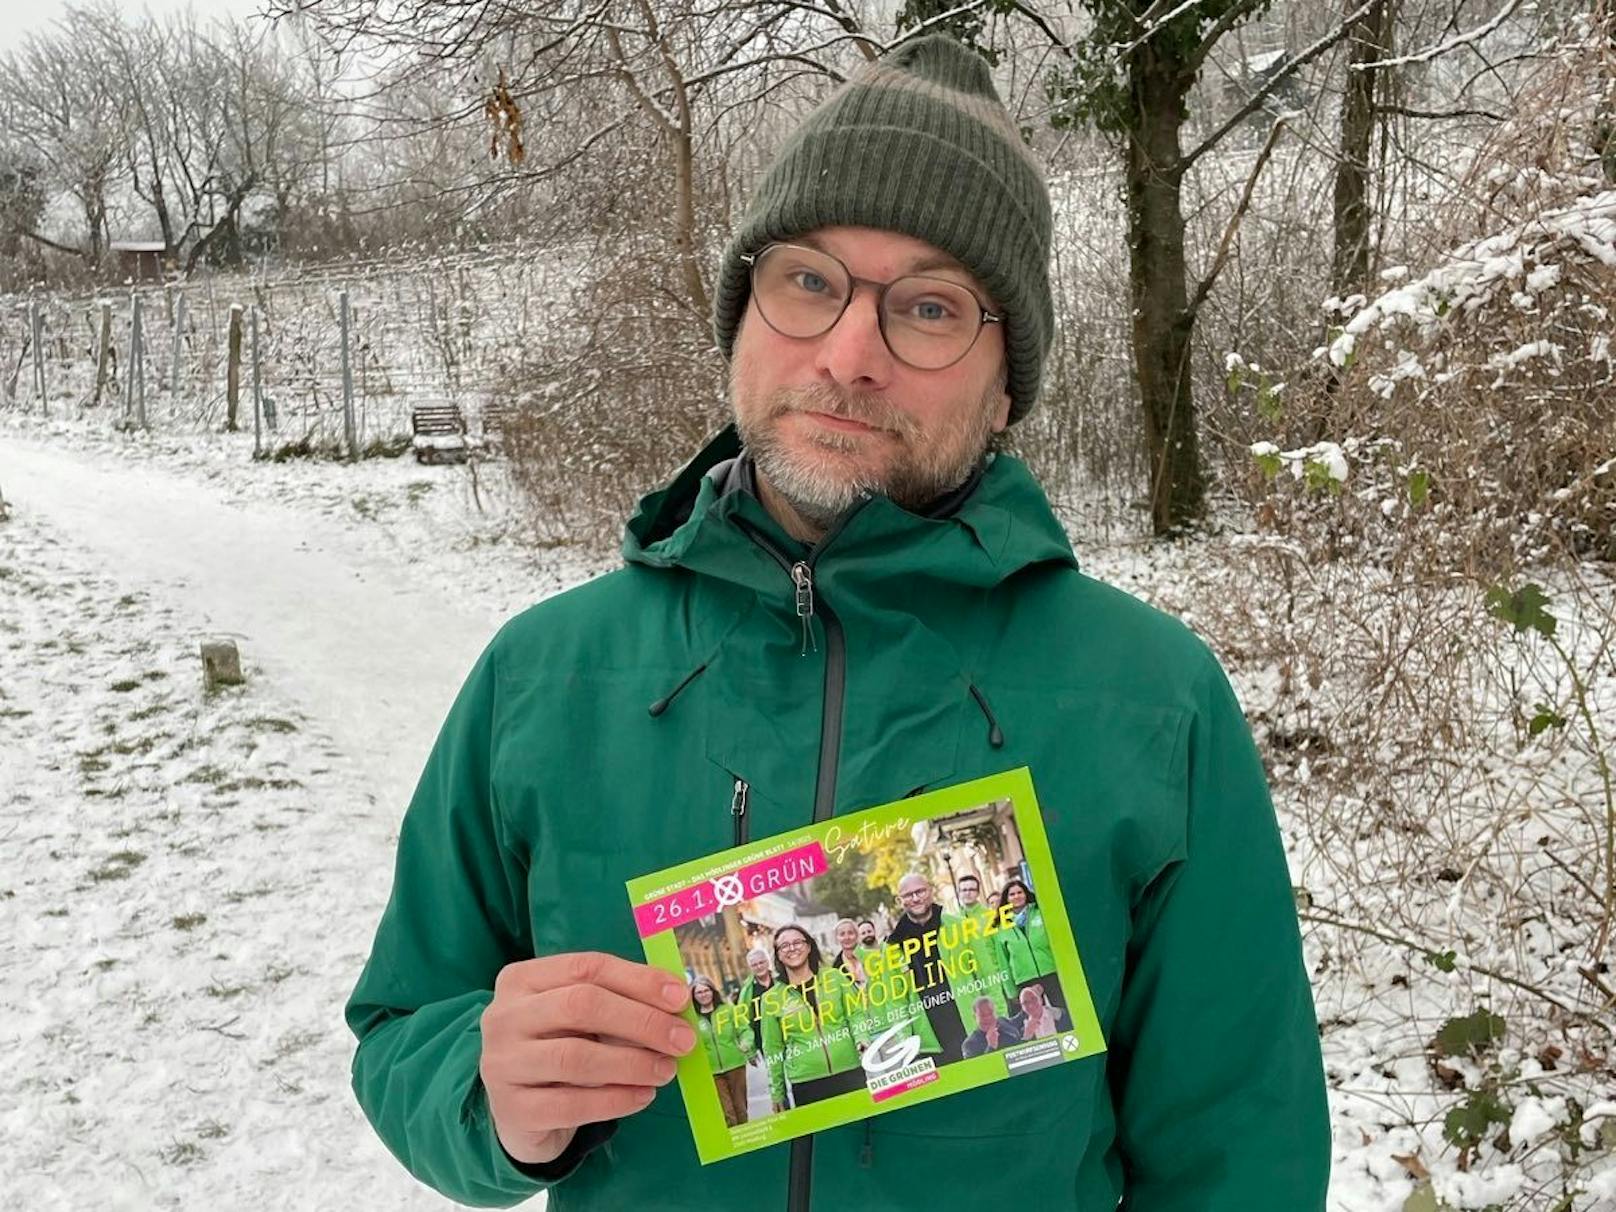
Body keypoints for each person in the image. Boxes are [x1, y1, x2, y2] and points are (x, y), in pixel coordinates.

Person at [345, 32, 1330, 1212]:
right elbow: (405, 1023)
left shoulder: (1149, 702)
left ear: (1006, 381)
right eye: (808, 280)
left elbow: (1240, 1158)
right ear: (742, 316)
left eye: (927, 308)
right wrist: (486, 1093)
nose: (849, 353)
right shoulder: (544, 677)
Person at [756, 925, 869, 1110]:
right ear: (777, 955)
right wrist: (777, 1092)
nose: (792, 948)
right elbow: (772, 1048)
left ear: (809, 946)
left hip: (849, 1070)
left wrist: (861, 1038)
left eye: (797, 942)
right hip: (807, 1082)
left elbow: (855, 1014)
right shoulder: (771, 999)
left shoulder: (835, 978)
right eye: (784, 946)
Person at [881, 872, 974, 1062]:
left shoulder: (958, 926)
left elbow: (985, 974)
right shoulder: (892, 946)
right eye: (908, 895)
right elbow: (895, 1001)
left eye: (920, 891)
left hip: (971, 1025)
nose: (915, 898)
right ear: (900, 900)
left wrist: (998, 1017)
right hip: (929, 1041)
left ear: (931, 891)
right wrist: (905, 1042)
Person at [689, 975, 752, 1128]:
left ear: (713, 991)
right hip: (712, 1071)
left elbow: (744, 1030)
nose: (703, 995)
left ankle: (746, 1138)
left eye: (706, 991)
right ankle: (734, 1142)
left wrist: (746, 1043)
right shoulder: (693, 1019)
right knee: (727, 1112)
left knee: (740, 1108)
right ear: (694, 996)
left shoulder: (728, 1010)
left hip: (735, 1065)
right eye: (699, 992)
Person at [995, 877, 1064, 1012]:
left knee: (1063, 1013)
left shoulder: (1041, 911)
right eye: (1012, 894)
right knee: (1037, 1020)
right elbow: (1003, 961)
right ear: (1006, 899)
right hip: (1025, 980)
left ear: (1026, 894)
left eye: (1020, 892)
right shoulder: (1000, 926)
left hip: (1051, 972)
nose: (1017, 896)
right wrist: (1011, 991)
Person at [953, 870, 1013, 1017]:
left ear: (978, 893)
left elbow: (1001, 947)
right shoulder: (953, 921)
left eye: (972, 889)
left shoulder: (990, 916)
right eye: (964, 890)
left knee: (1000, 1014)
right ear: (959, 892)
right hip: (969, 980)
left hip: (993, 974)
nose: (967, 893)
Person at [830, 918, 867, 987]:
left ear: (857, 935)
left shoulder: (870, 956)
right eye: (842, 934)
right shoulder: (836, 967)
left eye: (850, 933)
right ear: (837, 938)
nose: (847, 937)